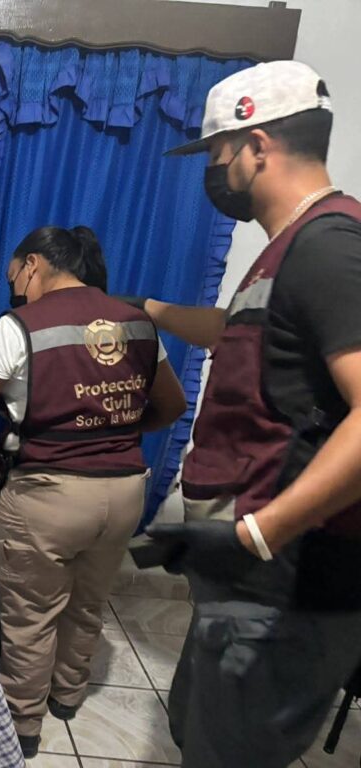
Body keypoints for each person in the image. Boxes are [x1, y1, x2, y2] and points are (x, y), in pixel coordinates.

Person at [129, 60, 361, 768]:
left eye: (217, 154)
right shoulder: (287, 249)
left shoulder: (329, 246)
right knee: (197, 731)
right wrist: (149, 311)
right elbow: (239, 331)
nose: (213, 171)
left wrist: (257, 535)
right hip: (248, 575)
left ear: (257, 145)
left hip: (285, 582)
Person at [0, 226, 187, 758]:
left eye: (13, 276)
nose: (14, 287)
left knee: (30, 616)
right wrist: (111, 435)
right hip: (125, 491)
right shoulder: (136, 322)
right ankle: (68, 695)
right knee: (89, 601)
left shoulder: (21, 325)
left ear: (32, 265)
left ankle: (22, 723)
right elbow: (172, 405)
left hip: (49, 493)